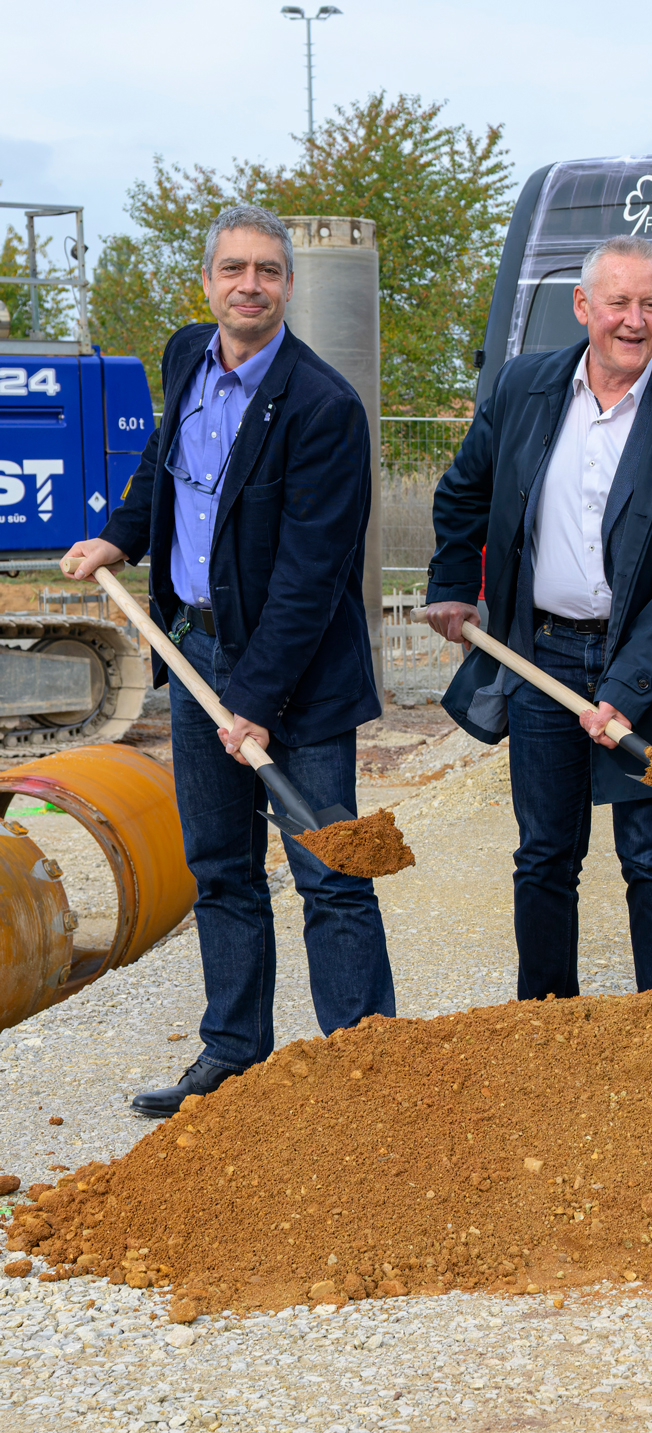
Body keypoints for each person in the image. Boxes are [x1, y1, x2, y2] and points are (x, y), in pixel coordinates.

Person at [63, 204, 393, 1116]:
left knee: (329, 867)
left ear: (288, 285)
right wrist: (121, 536)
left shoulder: (324, 406)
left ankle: (368, 1072)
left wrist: (253, 697)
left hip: (295, 673)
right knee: (221, 866)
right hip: (197, 648)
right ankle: (235, 1055)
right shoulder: (187, 357)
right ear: (207, 281)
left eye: (268, 271)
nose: (251, 286)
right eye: (234, 269)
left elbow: (312, 576)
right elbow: (161, 463)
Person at [423, 235, 652, 1002]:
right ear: (582, 305)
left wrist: (625, 690)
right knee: (544, 853)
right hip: (542, 658)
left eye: (651, 304)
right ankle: (545, 1024)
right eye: (618, 302)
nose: (634, 320)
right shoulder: (524, 388)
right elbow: (464, 491)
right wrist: (455, 582)